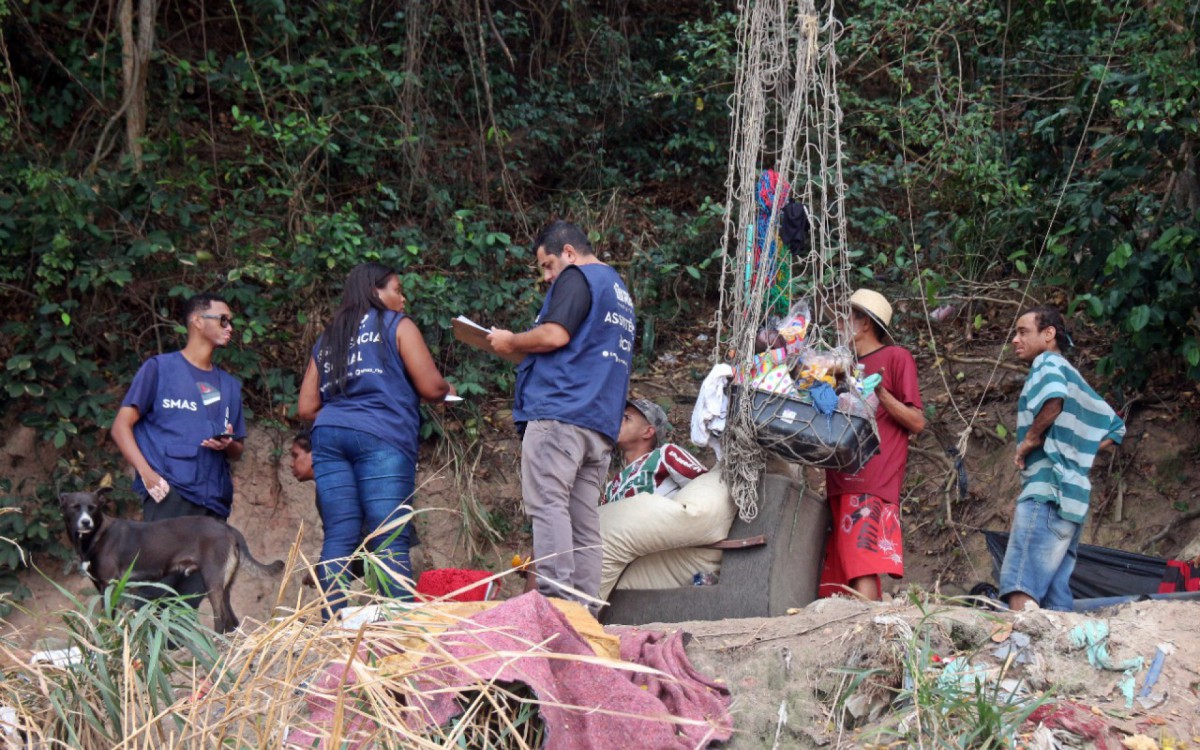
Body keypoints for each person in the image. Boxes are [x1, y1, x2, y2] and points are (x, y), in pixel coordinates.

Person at [488, 220, 635, 611]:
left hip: (560, 413)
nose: (548, 277)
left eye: (548, 265)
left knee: (547, 504)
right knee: (583, 518)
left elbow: (555, 336)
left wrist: (511, 341)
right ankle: (584, 611)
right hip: (598, 423)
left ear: (569, 252)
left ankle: (554, 606)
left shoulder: (577, 277)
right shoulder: (618, 290)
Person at [298, 263, 451, 618]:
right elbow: (431, 387)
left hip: (329, 436)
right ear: (375, 291)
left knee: (339, 537)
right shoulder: (398, 325)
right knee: (389, 537)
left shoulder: (330, 336)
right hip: (381, 434)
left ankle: (334, 628)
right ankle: (399, 629)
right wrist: (446, 391)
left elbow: (306, 407)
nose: (402, 298)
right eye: (397, 290)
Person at [110, 292, 246, 609]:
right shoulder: (160, 369)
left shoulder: (229, 385)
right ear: (197, 322)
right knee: (154, 589)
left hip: (213, 502)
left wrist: (228, 444)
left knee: (193, 594)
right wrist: (147, 474)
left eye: (232, 322)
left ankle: (174, 656)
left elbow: (238, 449)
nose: (230, 327)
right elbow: (121, 426)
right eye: (223, 320)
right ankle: (140, 656)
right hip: (170, 493)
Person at [1000, 306, 1125, 612]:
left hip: (1047, 490)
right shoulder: (1073, 375)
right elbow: (1116, 429)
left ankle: (1021, 659)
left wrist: (1030, 440)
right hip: (1071, 499)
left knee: (1021, 589)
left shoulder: (1046, 362)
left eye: (1023, 332)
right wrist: (1075, 451)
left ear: (1049, 334)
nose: (1015, 339)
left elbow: (1054, 399)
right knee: (1056, 601)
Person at [821, 289, 926, 601]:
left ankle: (869, 629)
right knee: (844, 568)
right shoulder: (840, 365)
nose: (837, 325)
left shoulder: (896, 358)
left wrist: (881, 394)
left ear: (864, 323)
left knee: (862, 562)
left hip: (873, 478)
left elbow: (917, 422)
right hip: (839, 478)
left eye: (844, 318)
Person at [602, 399, 708, 506]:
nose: (616, 422)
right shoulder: (611, 487)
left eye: (626, 418)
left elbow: (705, 487)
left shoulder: (665, 456)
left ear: (648, 432)